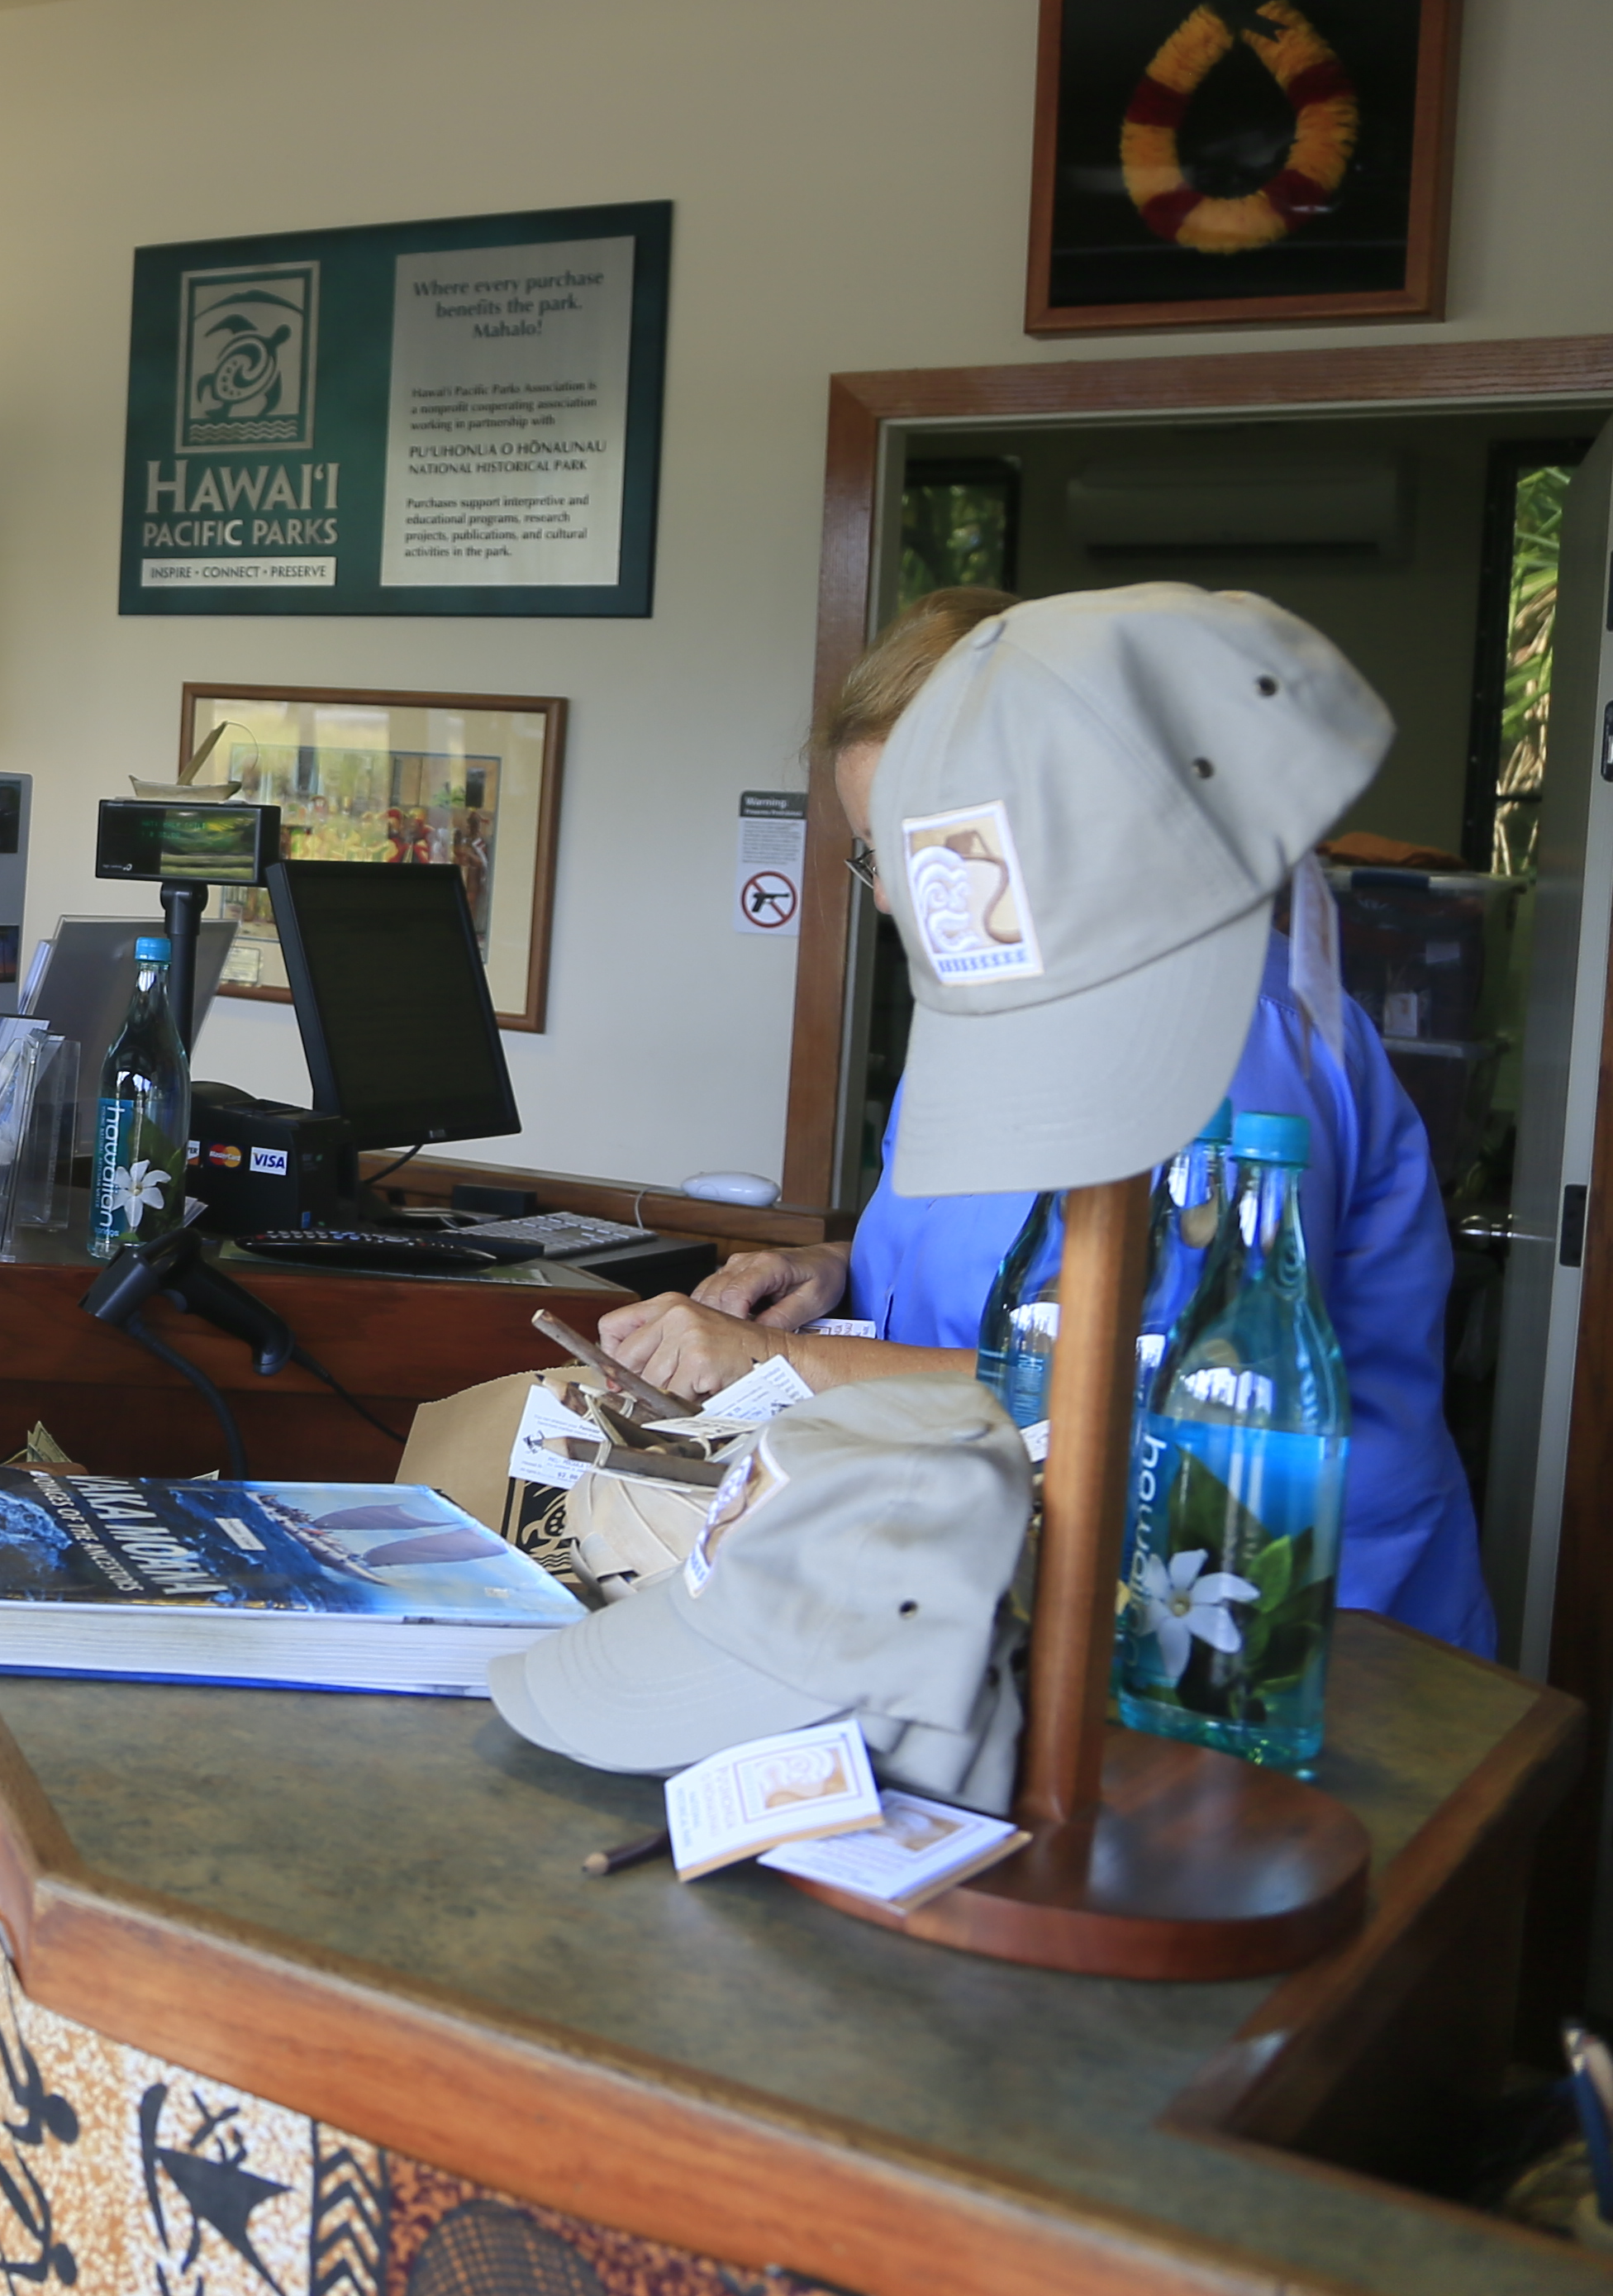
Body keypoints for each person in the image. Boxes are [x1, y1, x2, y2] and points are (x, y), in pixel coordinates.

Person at [597, 584, 1500, 1655]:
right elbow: (995, 1259)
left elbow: (1134, 1384)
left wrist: (773, 1364)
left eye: (909, 852)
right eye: (872, 854)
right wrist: (841, 1273)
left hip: (1274, 1625)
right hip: (1017, 1568)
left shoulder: (1232, 1041)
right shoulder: (1000, 1008)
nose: (885, 899)